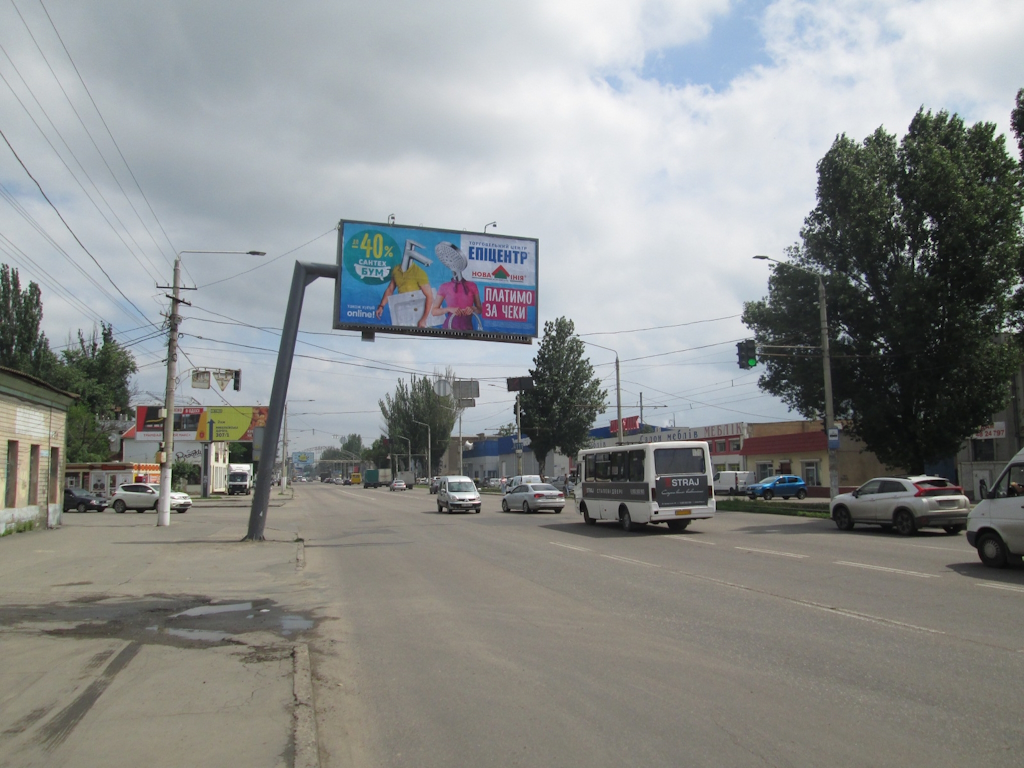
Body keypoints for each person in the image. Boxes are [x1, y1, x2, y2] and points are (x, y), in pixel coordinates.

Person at [376, 259, 433, 328]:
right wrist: (381, 306)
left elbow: (429, 296)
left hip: (419, 313)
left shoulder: (419, 272)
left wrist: (424, 319)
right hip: (404, 313)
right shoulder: (396, 270)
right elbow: (390, 289)